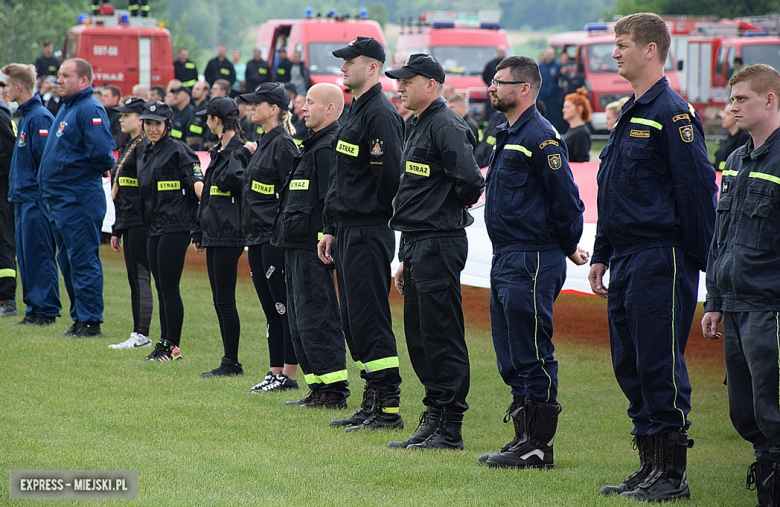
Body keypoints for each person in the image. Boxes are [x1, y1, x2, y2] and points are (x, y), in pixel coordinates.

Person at [588, 13, 717, 501]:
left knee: (659, 364)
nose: (615, 52)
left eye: (622, 44)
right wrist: (602, 252)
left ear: (650, 50)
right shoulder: (631, 111)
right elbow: (612, 191)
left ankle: (672, 475)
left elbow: (695, 191)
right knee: (631, 365)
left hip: (659, 257)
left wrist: (695, 262)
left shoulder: (673, 113)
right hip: (625, 256)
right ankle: (648, 466)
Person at [477, 55, 587, 467]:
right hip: (508, 256)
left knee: (533, 351)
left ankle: (539, 447)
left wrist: (564, 243)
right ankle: (524, 438)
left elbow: (567, 202)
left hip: (531, 257)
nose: (492, 89)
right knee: (510, 353)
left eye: (499, 82)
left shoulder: (541, 136)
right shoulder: (509, 133)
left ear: (524, 89)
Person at [385, 54, 485, 449]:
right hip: (417, 241)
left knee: (441, 334)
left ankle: (450, 425)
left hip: (439, 239)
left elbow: (470, 181)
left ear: (431, 84)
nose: (400, 86)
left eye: (407, 81)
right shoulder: (419, 123)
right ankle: (434, 416)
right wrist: (406, 255)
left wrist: (445, 209)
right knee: (421, 335)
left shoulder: (445, 123)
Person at [702, 63, 780, 507]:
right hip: (734, 302)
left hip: (769, 305)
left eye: (741, 99)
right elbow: (722, 237)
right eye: (732, 99)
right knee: (744, 409)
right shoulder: (734, 161)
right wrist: (714, 299)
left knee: (772, 405)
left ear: (770, 100)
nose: (731, 107)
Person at [320, 36, 404, 430]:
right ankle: (372, 398)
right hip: (348, 229)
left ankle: (387, 405)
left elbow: (388, 179)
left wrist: (376, 224)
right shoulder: (355, 112)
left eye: (349, 62)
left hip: (370, 228)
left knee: (370, 317)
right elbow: (342, 178)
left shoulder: (380, 115)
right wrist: (331, 228)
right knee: (353, 319)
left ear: (372, 67)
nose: (342, 68)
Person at [272, 83, 346, 407]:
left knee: (318, 318)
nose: (302, 108)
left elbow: (332, 200)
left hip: (313, 250)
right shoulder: (310, 147)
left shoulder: (329, 147)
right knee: (300, 322)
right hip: (295, 245)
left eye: (310, 103)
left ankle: (333, 391)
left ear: (330, 109)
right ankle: (317, 387)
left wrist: (324, 237)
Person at [39, 58, 115, 337]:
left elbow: (101, 155)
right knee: (68, 261)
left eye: (65, 75)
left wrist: (74, 179)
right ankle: (79, 317)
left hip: (77, 198)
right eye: (59, 75)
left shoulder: (89, 109)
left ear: (84, 81)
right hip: (61, 199)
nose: (59, 80)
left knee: (82, 259)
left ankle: (90, 321)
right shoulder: (68, 107)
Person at [237, 83, 300, 393]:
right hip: (257, 237)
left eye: (256, 103)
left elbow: (292, 198)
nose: (250, 107)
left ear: (273, 109)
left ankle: (288, 374)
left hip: (274, 239)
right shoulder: (262, 142)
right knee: (269, 309)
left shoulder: (285, 146)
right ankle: (274, 371)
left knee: (282, 307)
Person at [135, 101, 203, 361]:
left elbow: (197, 184)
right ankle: (164, 343)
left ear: (167, 125)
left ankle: (171, 346)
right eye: (148, 123)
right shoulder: (145, 152)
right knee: (161, 287)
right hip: (154, 227)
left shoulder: (179, 151)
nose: (152, 128)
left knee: (170, 288)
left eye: (157, 124)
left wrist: (199, 226)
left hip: (176, 226)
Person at [193, 97, 250, 377]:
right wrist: (198, 230)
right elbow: (208, 197)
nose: (205, 122)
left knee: (225, 299)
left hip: (230, 234)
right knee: (219, 299)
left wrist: (233, 152)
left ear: (216, 120)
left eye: (208, 117)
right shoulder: (219, 150)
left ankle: (232, 362)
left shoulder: (239, 150)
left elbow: (233, 182)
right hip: (214, 232)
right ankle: (228, 360)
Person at [3, 63, 59, 325]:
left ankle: (46, 310)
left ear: (18, 86)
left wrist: (40, 196)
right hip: (22, 198)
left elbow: (45, 162)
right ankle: (34, 308)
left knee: (40, 253)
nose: (4, 90)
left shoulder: (39, 118)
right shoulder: (24, 116)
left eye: (6, 84)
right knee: (26, 256)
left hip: (36, 200)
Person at [107, 97, 153, 349]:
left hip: (141, 222)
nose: (121, 119)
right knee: (134, 279)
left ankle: (142, 334)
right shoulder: (130, 145)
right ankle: (139, 332)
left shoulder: (144, 146)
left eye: (127, 115)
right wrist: (118, 228)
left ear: (140, 119)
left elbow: (142, 191)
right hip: (129, 220)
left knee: (140, 278)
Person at [0, 74, 17, 317]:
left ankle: (6, 300)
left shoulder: (1, 116)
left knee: (4, 242)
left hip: (3, 190)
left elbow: (11, 154)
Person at [712, 101, 750, 171]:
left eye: (727, 114)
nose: (723, 117)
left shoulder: (744, 138)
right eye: (724, 113)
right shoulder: (728, 139)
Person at [561, 87, 592, 162]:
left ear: (579, 108)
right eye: (564, 107)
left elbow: (581, 161)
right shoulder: (572, 130)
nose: (563, 110)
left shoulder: (581, 133)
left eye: (567, 107)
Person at [538, 48, 565, 133]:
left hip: (553, 97)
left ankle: (554, 133)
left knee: (553, 116)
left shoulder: (558, 66)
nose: (550, 56)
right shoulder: (540, 66)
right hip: (542, 96)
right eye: (548, 54)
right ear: (544, 55)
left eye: (551, 54)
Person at [101, 85, 130, 150]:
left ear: (115, 98)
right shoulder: (101, 114)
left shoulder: (120, 117)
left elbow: (118, 141)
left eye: (106, 96)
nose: (102, 98)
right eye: (102, 96)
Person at [187, 80, 210, 149]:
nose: (194, 91)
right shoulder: (194, 108)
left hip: (200, 146)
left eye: (197, 89)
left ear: (206, 92)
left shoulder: (206, 109)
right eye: (193, 88)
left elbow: (206, 132)